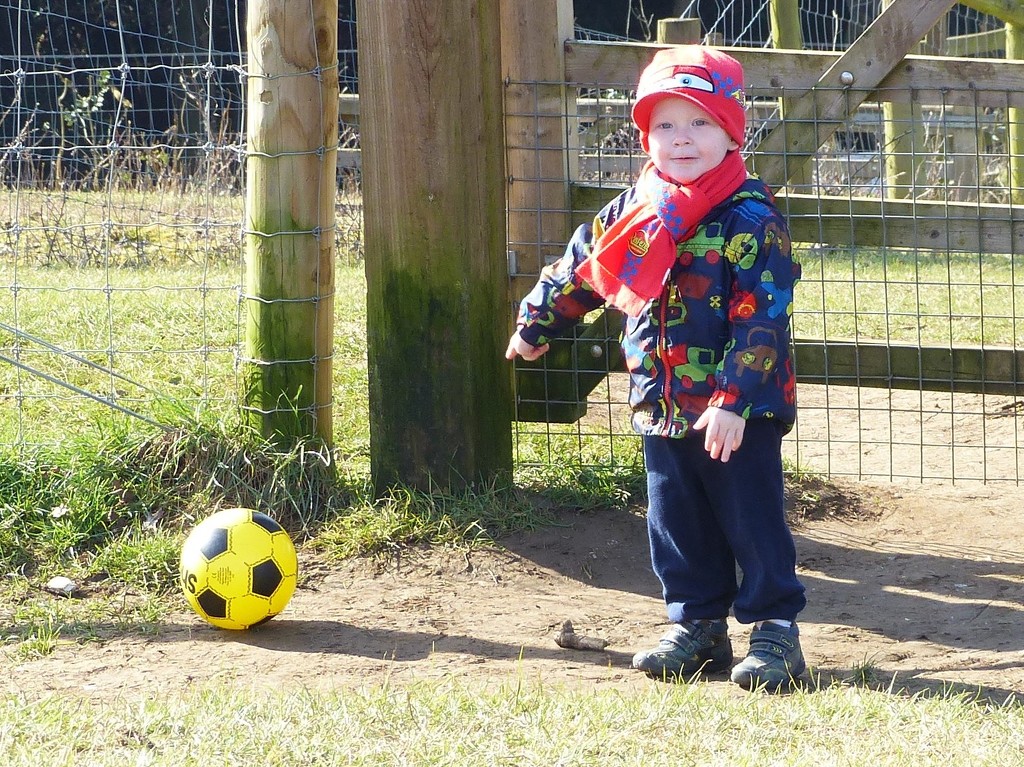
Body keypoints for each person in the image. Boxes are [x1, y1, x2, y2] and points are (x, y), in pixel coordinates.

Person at [505, 45, 806, 692]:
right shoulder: (637, 209)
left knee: (750, 517)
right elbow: (587, 269)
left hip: (738, 409)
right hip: (662, 401)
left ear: (731, 132)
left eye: (699, 123)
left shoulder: (749, 220)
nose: (681, 139)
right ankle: (697, 625)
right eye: (665, 125)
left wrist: (733, 397)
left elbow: (764, 318)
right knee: (675, 518)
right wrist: (538, 321)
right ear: (646, 135)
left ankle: (775, 631)